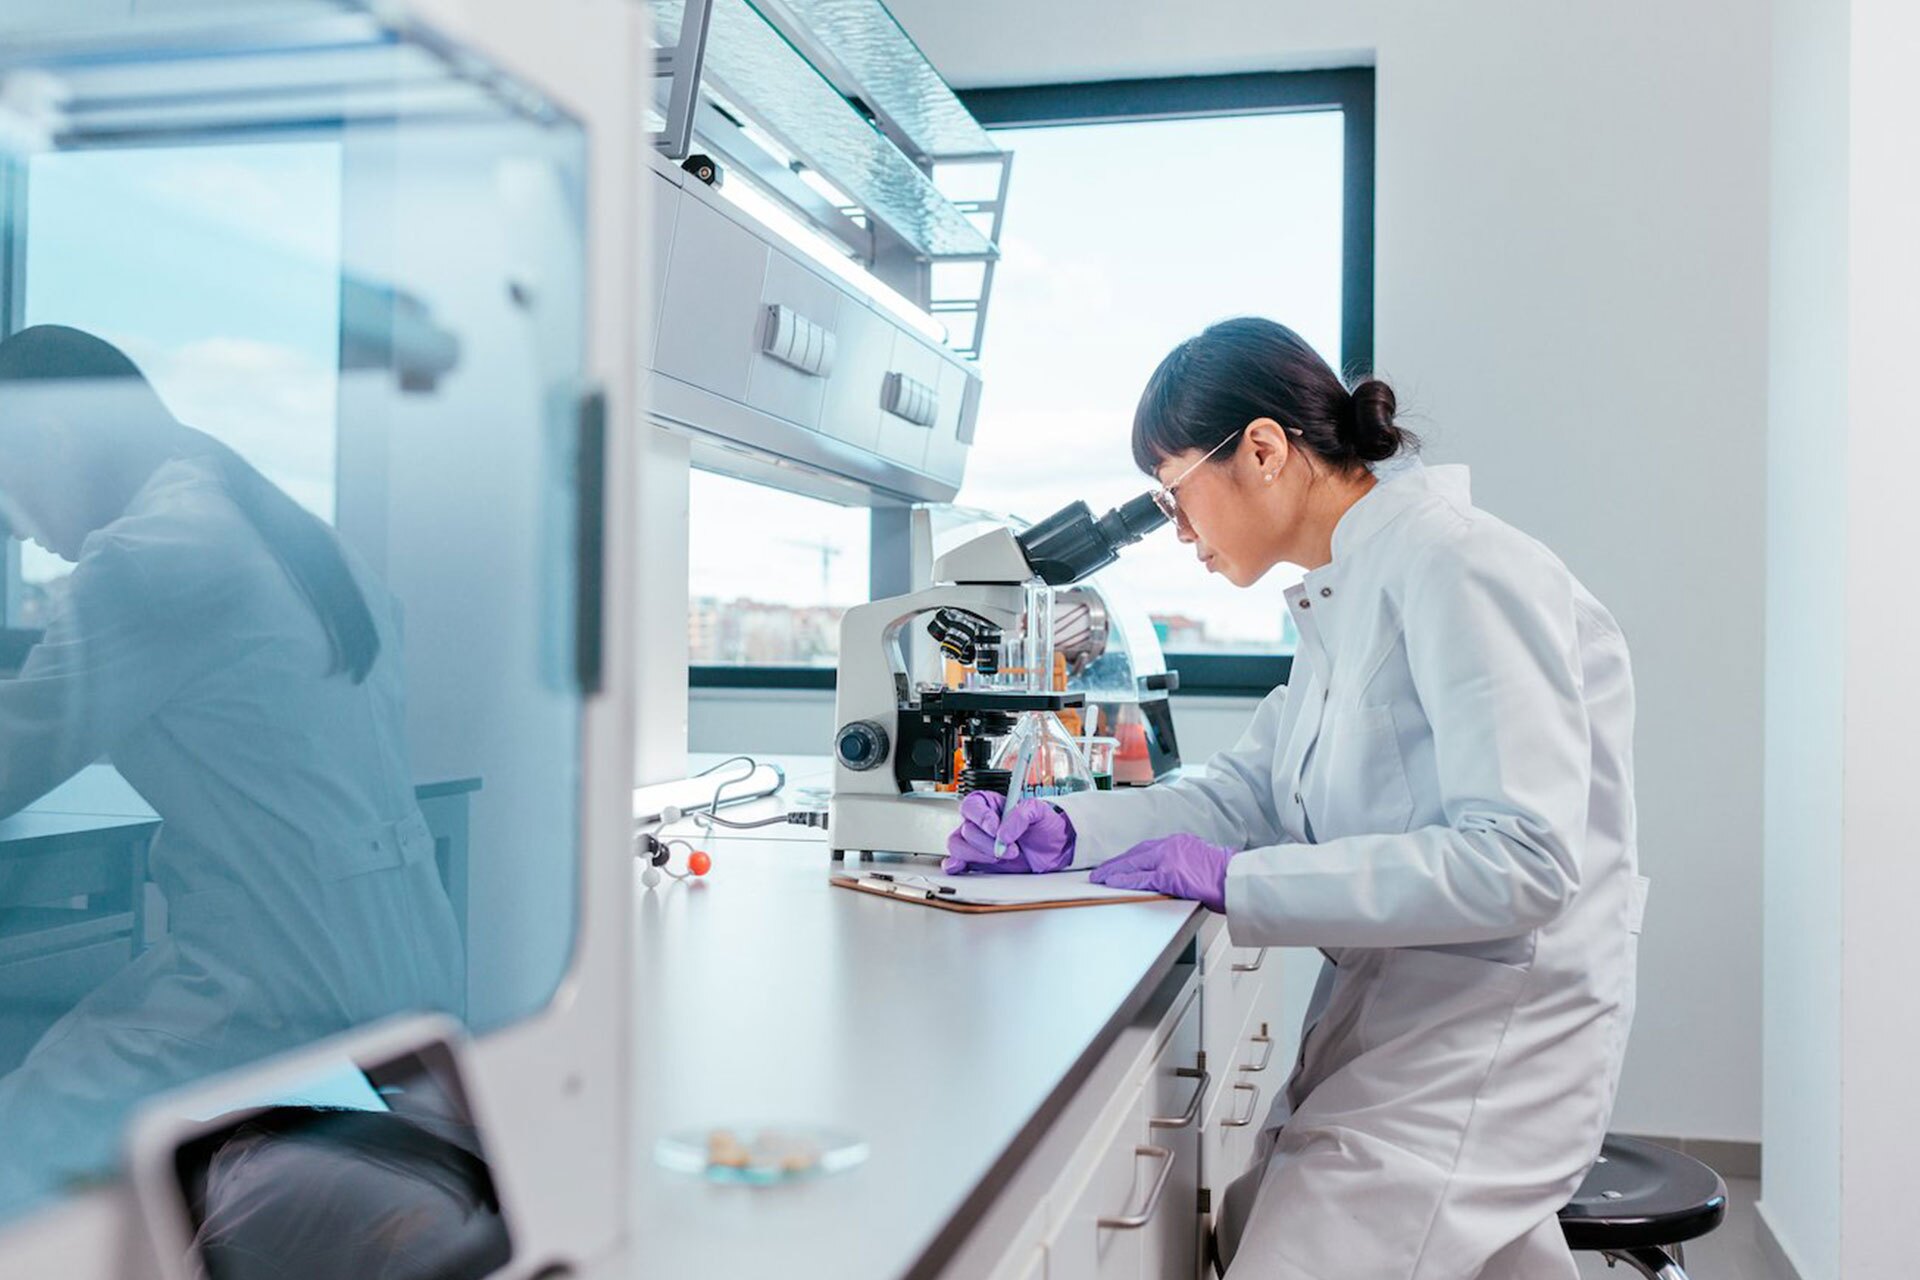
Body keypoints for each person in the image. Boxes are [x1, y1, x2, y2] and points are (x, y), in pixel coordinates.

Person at [945, 317, 1644, 1279]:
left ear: (1265, 450)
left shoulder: (1463, 567)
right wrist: (1072, 830)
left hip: (1489, 1040)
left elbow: (1525, 860)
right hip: (1395, 1012)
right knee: (1250, 1215)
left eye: (1174, 493)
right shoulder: (1345, 597)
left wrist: (1244, 882)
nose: (1177, 530)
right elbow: (1248, 793)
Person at [0, 325, 462, 1212]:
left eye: (5, 491)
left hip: (277, 990)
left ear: (52, 445)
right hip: (406, 969)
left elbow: (21, 753)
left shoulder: (150, 554)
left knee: (24, 1154)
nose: (22, 535)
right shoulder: (293, 533)